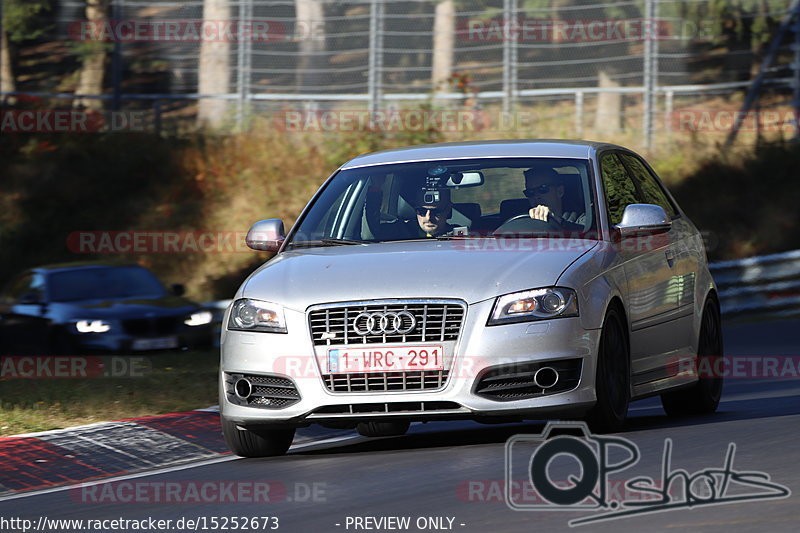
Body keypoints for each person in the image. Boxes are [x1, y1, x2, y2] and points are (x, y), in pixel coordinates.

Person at [364, 177, 462, 239]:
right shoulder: (401, 231)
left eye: (436, 212)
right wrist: (376, 188)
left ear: (448, 209)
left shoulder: (460, 237)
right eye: (422, 211)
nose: (428, 217)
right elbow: (372, 233)